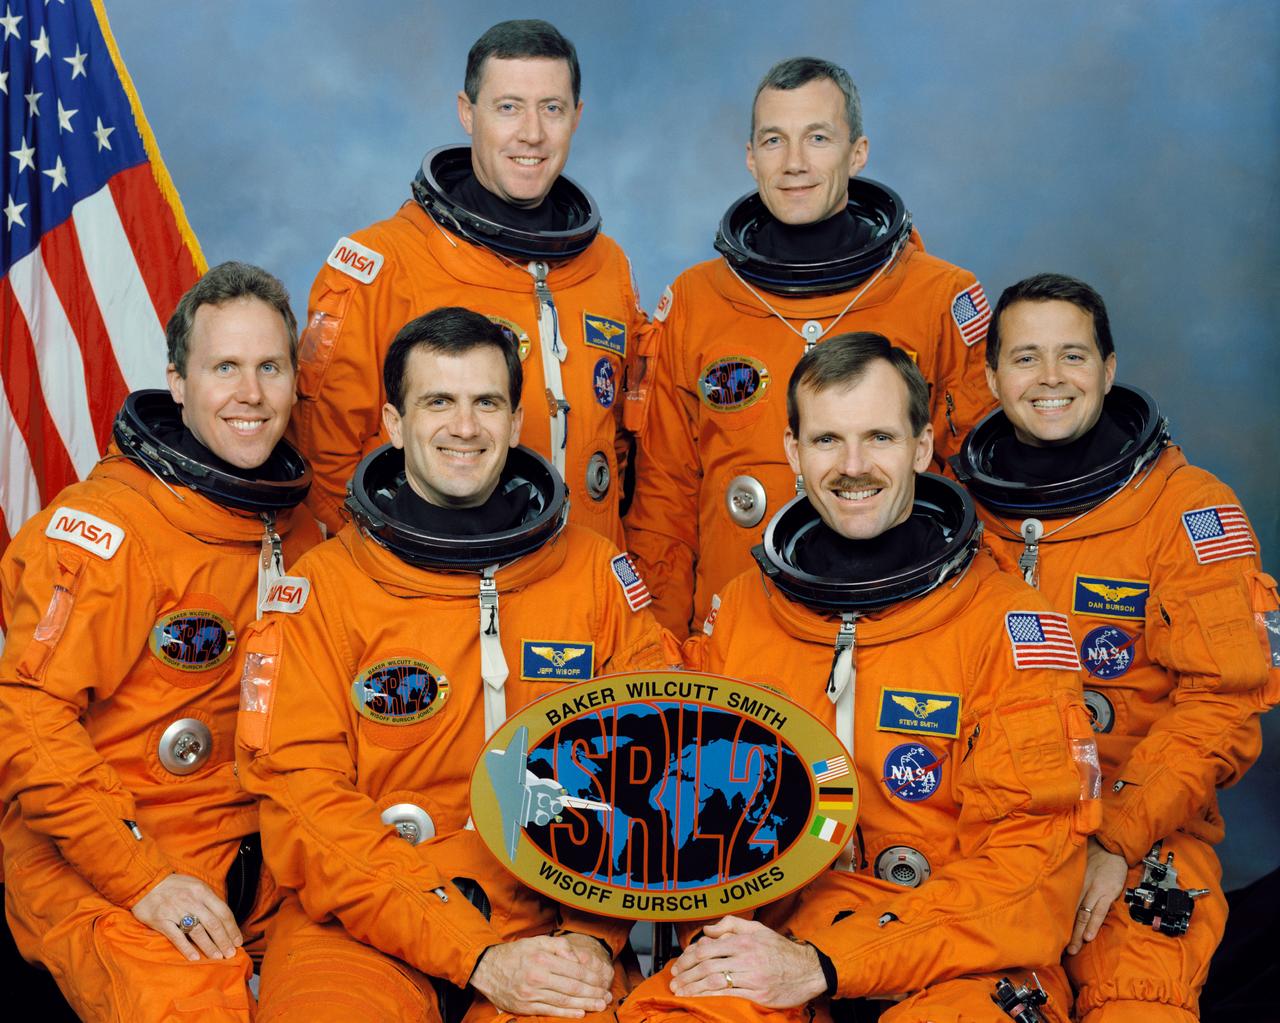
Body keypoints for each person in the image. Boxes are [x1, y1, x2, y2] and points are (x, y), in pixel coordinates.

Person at [619, 333, 1097, 1023]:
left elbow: (1031, 878)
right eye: (826, 441)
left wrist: (832, 962)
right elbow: (692, 807)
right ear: (791, 452)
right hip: (778, 941)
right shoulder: (746, 607)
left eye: (878, 436)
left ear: (922, 447)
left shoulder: (1012, 626)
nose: (852, 466)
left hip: (960, 956)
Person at [239, 307, 677, 1022]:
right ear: (392, 420)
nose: (465, 427)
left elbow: (655, 765)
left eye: (487, 403)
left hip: (551, 918)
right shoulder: (323, 589)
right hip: (363, 916)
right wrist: (468, 949)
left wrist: (595, 937)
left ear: (513, 419)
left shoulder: (594, 575)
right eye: (437, 401)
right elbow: (304, 806)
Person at [952, 273, 1280, 1022]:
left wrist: (1119, 837)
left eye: (1073, 355)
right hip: (987, 842)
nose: (1050, 378)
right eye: (1026, 357)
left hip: (1144, 831)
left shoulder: (1187, 510)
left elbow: (1223, 705)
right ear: (992, 374)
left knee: (1138, 1001)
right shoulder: (952, 514)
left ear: (1107, 366)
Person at [0, 262, 321, 1022]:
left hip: (262, 857)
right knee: (192, 1006)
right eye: (226, 368)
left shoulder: (304, 528)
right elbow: (26, 716)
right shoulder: (109, 533)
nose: (251, 394)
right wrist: (142, 874)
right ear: (177, 380)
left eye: (270, 366)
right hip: (104, 854)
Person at [624, 56, 996, 636]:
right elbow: (663, 502)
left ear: (858, 151)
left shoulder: (937, 298)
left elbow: (977, 491)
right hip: (737, 638)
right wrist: (663, 649)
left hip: (903, 625)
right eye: (774, 140)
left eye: (818, 138)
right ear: (751, 157)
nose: (794, 163)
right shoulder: (697, 301)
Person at [290, 19, 643, 546]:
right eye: (508, 107)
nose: (532, 132)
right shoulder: (383, 265)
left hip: (583, 592)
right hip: (437, 591)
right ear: (466, 112)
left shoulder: (608, 266)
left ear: (577, 117)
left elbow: (618, 451)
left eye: (552, 108)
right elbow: (326, 464)